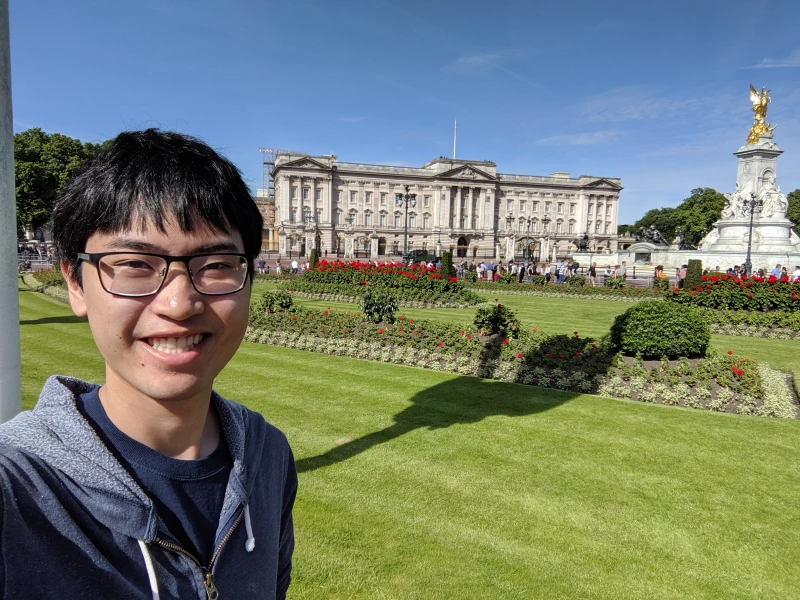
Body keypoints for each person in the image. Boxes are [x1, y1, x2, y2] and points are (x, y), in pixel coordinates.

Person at [0, 130, 297, 598]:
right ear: (75, 283)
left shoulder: (269, 455)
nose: (179, 304)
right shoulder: (14, 485)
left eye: (216, 264)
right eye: (136, 264)